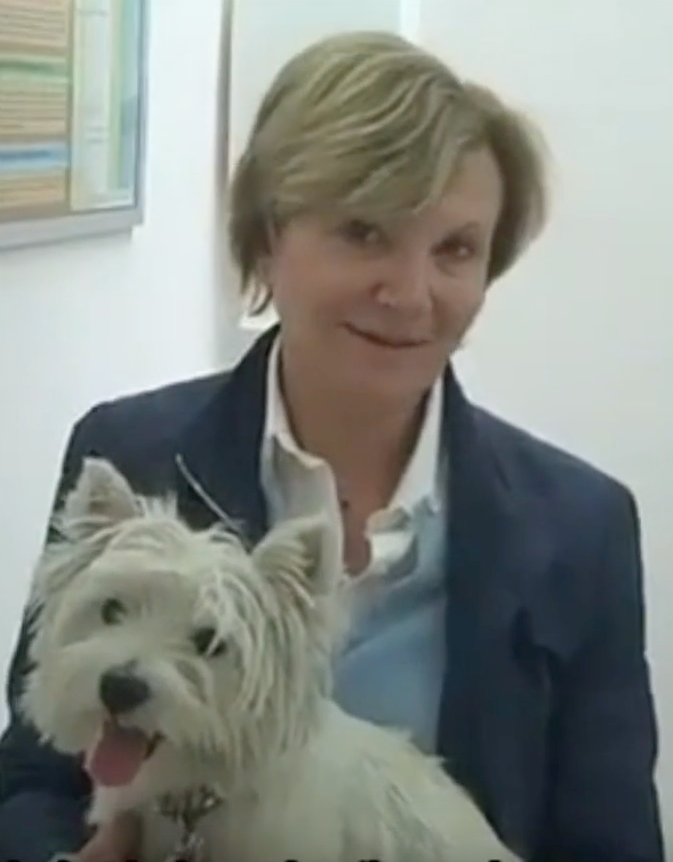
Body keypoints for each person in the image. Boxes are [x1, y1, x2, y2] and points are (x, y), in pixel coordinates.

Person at [0, 30, 663, 862]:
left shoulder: (579, 528)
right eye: (363, 232)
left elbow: (611, 845)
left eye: (455, 250)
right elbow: (34, 776)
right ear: (268, 235)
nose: (410, 294)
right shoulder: (130, 450)